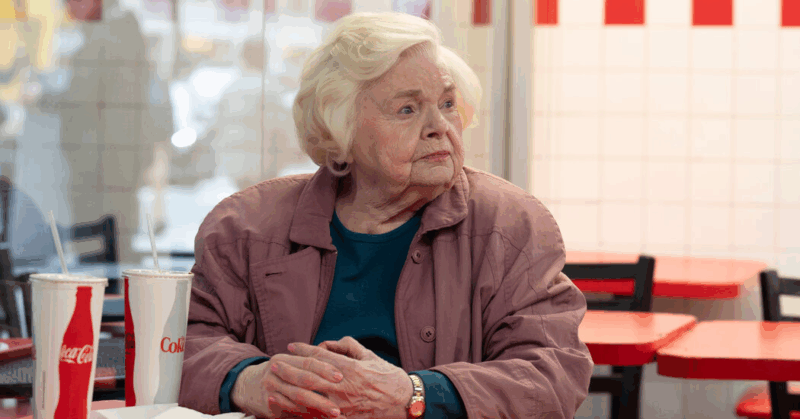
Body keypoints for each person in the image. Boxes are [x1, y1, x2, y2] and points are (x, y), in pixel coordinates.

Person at [179, 12, 593, 418]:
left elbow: (552, 373)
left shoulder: (510, 224)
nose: (440, 126)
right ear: (341, 134)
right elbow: (184, 343)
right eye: (408, 110)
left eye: (447, 103)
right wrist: (248, 380)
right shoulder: (243, 227)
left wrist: (413, 394)